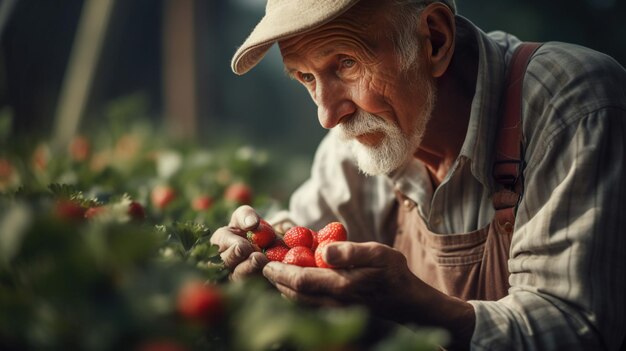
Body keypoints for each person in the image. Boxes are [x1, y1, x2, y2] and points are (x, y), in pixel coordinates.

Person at [211, 0, 626, 349]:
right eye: (305, 76)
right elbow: (303, 233)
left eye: (347, 63)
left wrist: (418, 304)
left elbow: (578, 329)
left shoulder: (572, 105)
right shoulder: (363, 138)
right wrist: (265, 246)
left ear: (436, 39)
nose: (327, 115)